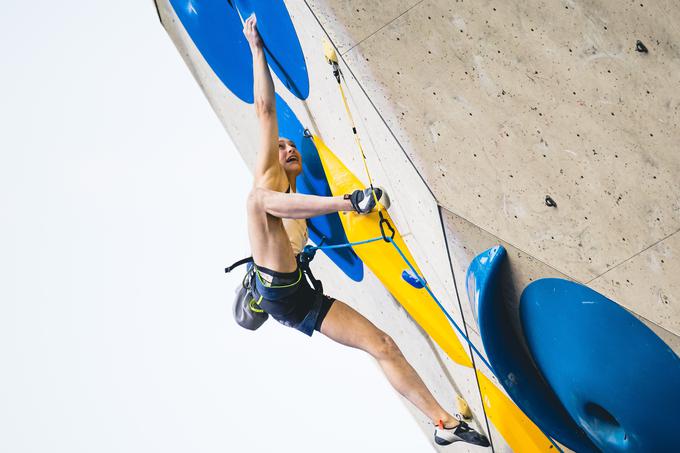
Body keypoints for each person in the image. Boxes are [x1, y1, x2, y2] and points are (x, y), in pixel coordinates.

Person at [241, 15, 489, 448]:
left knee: (383, 343)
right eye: (281, 146)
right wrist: (256, 47)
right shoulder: (267, 180)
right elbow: (265, 109)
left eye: (290, 143)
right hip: (274, 285)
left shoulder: (295, 194)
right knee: (258, 200)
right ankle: (347, 200)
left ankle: (442, 424)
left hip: (298, 298)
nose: (288, 146)